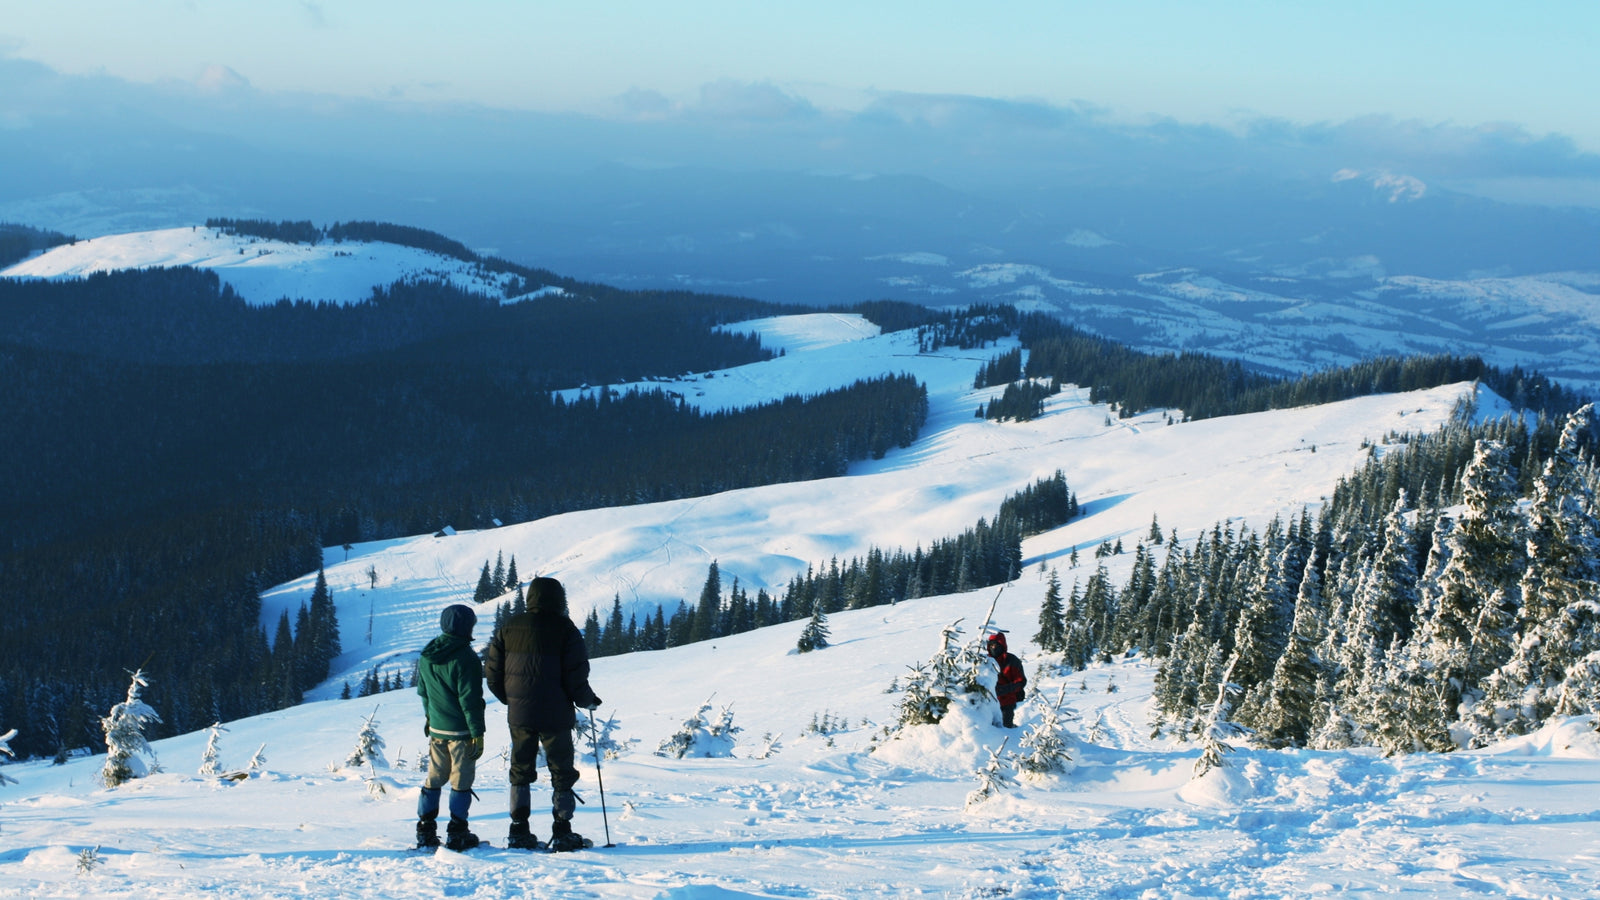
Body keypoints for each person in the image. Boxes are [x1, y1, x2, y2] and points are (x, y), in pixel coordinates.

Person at [486, 576, 602, 852]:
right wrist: (588, 701)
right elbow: (576, 675)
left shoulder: (508, 627)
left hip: (520, 714)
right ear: (558, 599)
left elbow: (491, 673)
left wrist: (512, 700)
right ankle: (562, 831)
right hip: (556, 713)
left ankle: (518, 831)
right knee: (561, 770)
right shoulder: (565, 628)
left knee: (520, 769)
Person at [415, 604, 487, 851]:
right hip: (461, 732)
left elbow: (423, 692)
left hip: (437, 729)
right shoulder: (466, 657)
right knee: (461, 780)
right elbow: (471, 701)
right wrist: (478, 732)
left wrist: (430, 718)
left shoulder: (427, 654)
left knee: (434, 778)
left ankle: (425, 829)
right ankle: (457, 831)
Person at [986, 630, 1027, 728]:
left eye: (996, 645)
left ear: (1002, 645)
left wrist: (1004, 689)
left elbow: (1021, 681)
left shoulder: (1011, 660)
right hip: (989, 704)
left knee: (1006, 729)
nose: (993, 648)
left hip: (1007, 702)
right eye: (991, 646)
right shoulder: (985, 661)